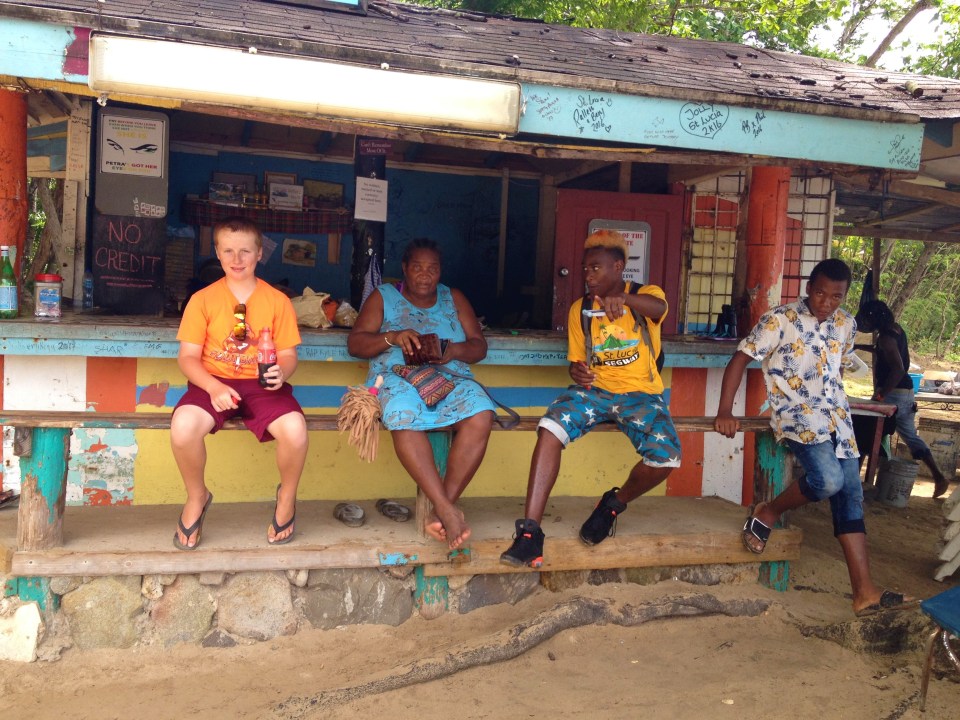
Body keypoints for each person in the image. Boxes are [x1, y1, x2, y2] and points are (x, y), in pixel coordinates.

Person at [714, 259, 913, 617]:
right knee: (828, 481)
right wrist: (725, 410)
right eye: (820, 293)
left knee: (851, 495)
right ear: (809, 287)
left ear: (844, 295)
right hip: (797, 417)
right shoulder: (779, 320)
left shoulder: (846, 325)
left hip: (838, 420)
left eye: (835, 296)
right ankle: (769, 511)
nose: (826, 302)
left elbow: (838, 365)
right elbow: (739, 359)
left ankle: (864, 591)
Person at [500, 229, 681, 568]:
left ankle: (613, 504)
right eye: (585, 269)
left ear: (619, 267)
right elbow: (576, 362)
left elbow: (659, 308)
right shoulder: (580, 309)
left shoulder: (645, 294)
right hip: (594, 392)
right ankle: (529, 534)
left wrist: (624, 300)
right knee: (550, 427)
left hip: (641, 395)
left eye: (596, 268)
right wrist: (577, 374)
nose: (588, 275)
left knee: (666, 459)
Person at [347, 238, 495, 550]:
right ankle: (445, 509)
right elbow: (356, 345)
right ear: (404, 269)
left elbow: (478, 346)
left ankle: (443, 507)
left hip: (450, 376)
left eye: (433, 268)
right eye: (418, 267)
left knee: (481, 412)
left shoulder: (453, 297)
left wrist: (451, 350)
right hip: (396, 378)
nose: (425, 275)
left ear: (440, 271)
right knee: (403, 414)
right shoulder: (384, 297)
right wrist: (393, 337)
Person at [171, 217, 308, 549]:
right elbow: (187, 358)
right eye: (229, 251)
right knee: (183, 427)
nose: (237, 259)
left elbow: (288, 356)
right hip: (213, 381)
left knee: (296, 430)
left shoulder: (278, 301)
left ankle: (287, 497)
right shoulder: (202, 300)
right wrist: (214, 387)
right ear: (217, 253)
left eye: (245, 251)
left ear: (259, 253)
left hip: (262, 384)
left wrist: (282, 373)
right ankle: (197, 496)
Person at [855, 300, 950, 498]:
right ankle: (938, 476)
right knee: (882, 432)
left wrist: (881, 395)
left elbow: (898, 369)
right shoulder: (894, 330)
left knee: (868, 431)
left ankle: (854, 479)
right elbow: (884, 352)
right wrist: (859, 346)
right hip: (903, 392)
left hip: (895, 392)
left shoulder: (886, 339)